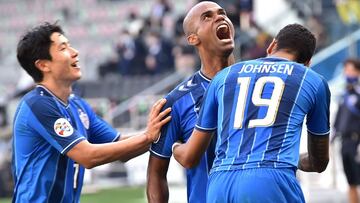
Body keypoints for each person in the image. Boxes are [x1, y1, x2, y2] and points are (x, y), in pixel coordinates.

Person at [12, 22, 171, 203]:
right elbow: (87, 155)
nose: (74, 52)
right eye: (63, 48)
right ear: (43, 65)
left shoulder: (78, 106)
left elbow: (121, 147)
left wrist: (163, 130)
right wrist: (148, 137)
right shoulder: (38, 104)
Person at [173, 23, 330, 203]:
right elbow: (319, 162)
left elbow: (189, 155)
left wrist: (174, 144)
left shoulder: (224, 76)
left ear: (271, 46)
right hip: (271, 180)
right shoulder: (311, 80)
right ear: (308, 63)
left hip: (220, 182)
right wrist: (295, 160)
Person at [146, 1, 235, 203]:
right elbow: (156, 173)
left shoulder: (257, 84)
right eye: (207, 16)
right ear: (193, 38)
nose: (220, 17)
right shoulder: (176, 102)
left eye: (222, 13)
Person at [333, 58, 360, 203]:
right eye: (346, 70)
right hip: (345, 141)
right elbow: (338, 117)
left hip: (357, 141)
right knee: (351, 181)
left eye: (350, 70)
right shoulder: (345, 94)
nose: (347, 73)